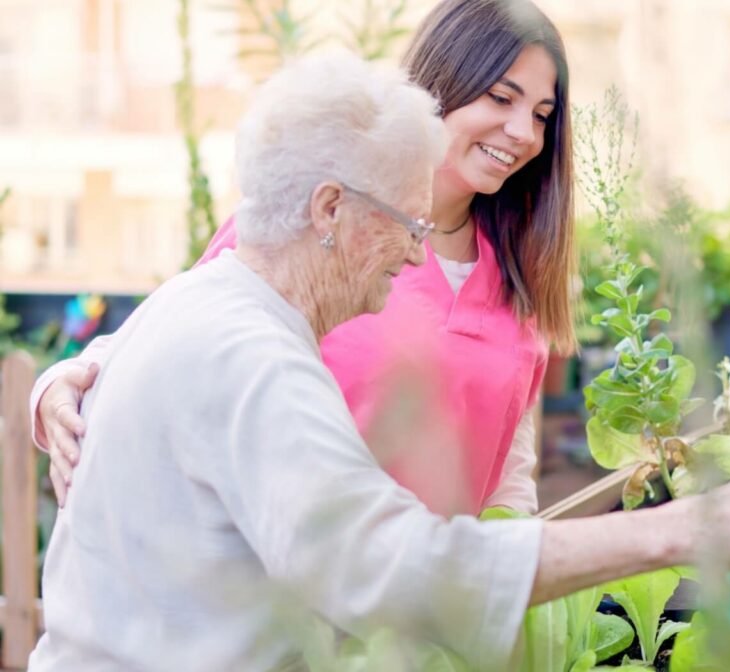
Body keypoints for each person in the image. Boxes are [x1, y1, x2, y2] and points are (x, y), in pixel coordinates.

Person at [27, 52, 730, 671]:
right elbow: (389, 567)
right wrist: (675, 533)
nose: (415, 253)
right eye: (404, 222)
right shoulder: (255, 359)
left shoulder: (204, 308)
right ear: (329, 209)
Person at [33, 0, 576, 516]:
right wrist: (64, 382)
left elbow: (509, 455)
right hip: (286, 594)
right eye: (502, 99)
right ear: (445, 81)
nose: (524, 133)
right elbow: (183, 336)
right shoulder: (322, 217)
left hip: (433, 599)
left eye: (542, 115)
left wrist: (504, 553)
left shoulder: (520, 273)